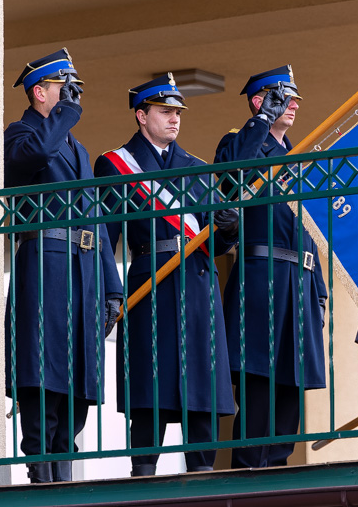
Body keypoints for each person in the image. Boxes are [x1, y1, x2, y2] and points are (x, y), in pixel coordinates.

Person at [94, 74, 239, 476]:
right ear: (141, 115)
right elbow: (107, 238)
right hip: (150, 282)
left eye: (177, 112)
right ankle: (143, 474)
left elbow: (217, 245)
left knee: (202, 389)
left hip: (198, 286)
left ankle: (203, 473)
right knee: (149, 388)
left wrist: (228, 228)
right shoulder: (114, 164)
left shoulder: (196, 167)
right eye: (165, 111)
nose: (174, 119)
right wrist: (111, 289)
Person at [4, 48, 123, 483]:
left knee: (75, 384)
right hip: (45, 269)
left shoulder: (77, 147)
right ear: (39, 92)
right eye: (63, 88)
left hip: (82, 273)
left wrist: (113, 286)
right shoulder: (22, 133)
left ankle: (64, 473)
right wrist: (65, 115)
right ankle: (41, 473)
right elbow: (30, 157)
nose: (73, 97)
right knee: (43, 375)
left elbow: (95, 218)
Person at [214, 65, 327, 468]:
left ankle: (272, 475)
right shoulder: (240, 142)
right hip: (260, 281)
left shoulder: (296, 155)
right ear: (260, 101)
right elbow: (230, 177)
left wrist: (320, 294)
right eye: (283, 97)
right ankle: (247, 477)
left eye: (295, 97)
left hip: (300, 283)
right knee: (258, 391)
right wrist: (259, 121)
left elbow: (310, 231)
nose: (294, 103)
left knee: (288, 398)